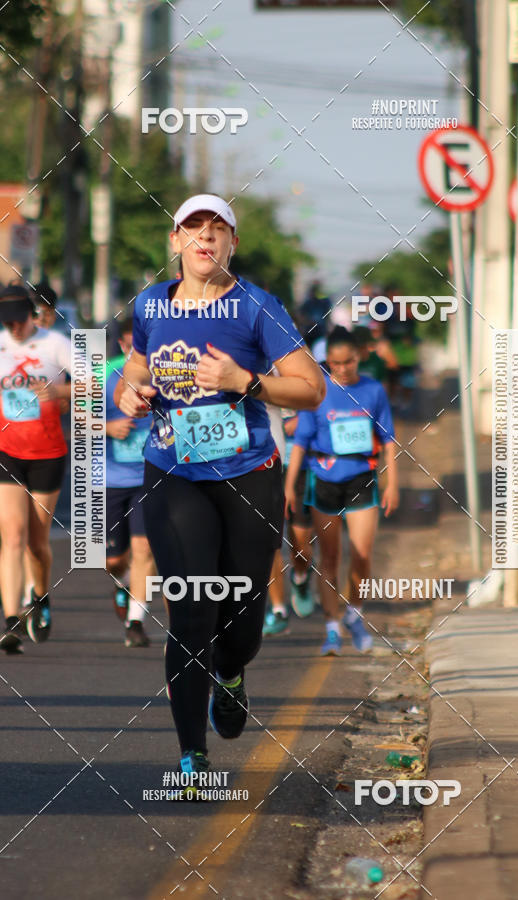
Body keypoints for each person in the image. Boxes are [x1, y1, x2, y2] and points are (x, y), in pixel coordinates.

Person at [116, 194, 324, 783]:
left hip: (248, 475)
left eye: (217, 229)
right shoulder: (152, 303)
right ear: (175, 241)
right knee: (191, 609)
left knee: (242, 619)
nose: (205, 238)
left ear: (233, 242)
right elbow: (135, 368)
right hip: (172, 472)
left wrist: (246, 381)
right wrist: (128, 395)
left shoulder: (257, 306)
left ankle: (230, 674)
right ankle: (191, 756)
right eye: (193, 228)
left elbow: (310, 389)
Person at [285, 326, 399, 657]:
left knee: (362, 555)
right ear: (328, 362)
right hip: (324, 479)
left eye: (348, 362)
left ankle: (355, 613)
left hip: (361, 478)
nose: (343, 369)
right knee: (330, 558)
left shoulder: (374, 390)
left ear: (359, 357)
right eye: (335, 364)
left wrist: (392, 483)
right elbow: (301, 443)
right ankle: (332, 627)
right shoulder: (317, 392)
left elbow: (388, 441)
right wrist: (290, 486)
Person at [0, 285, 72, 653]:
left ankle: (41, 596)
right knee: (11, 534)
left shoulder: (55, 344)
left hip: (46, 452)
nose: (13, 328)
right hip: (6, 450)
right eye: (6, 322)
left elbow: (91, 384)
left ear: (32, 315)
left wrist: (59, 393)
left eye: (18, 320)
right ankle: (11, 618)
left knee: (36, 543)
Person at [105, 317, 154, 647]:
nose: (132, 351)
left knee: (144, 548)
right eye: (127, 345)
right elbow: (78, 421)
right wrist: (108, 428)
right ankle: (121, 580)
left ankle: (136, 621)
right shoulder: (104, 375)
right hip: (110, 479)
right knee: (113, 560)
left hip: (149, 477)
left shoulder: (164, 377)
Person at [263, 407, 316, 636]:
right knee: (270, 542)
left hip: (302, 469)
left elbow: (315, 411)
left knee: (301, 547)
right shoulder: (257, 375)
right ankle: (278, 609)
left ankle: (301, 576)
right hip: (266, 468)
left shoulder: (308, 374)